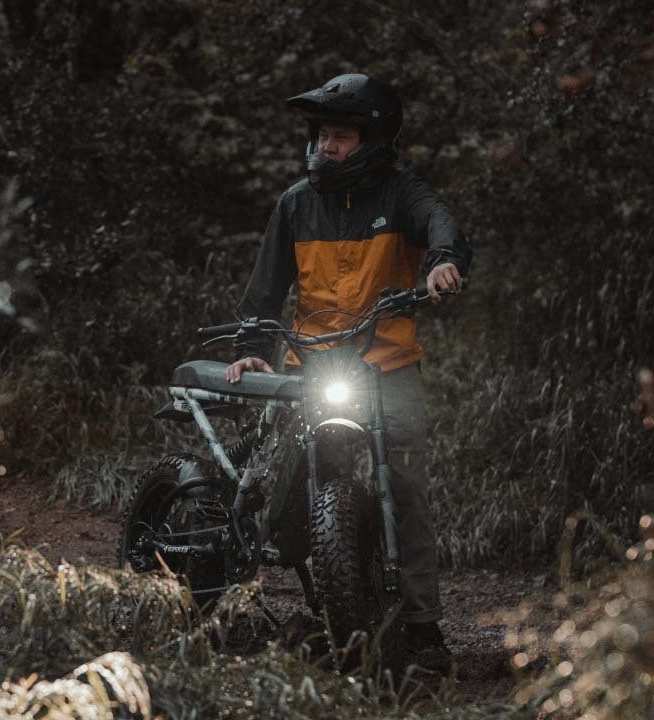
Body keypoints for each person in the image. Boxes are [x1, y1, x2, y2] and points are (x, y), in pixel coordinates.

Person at [225, 73, 472, 660]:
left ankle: (421, 623)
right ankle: (322, 602)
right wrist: (250, 344)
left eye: (341, 136)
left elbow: (441, 221)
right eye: (322, 135)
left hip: (388, 368)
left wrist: (441, 261)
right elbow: (265, 288)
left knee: (406, 489)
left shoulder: (401, 194)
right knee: (293, 490)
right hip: (311, 365)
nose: (326, 147)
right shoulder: (296, 203)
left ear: (376, 138)